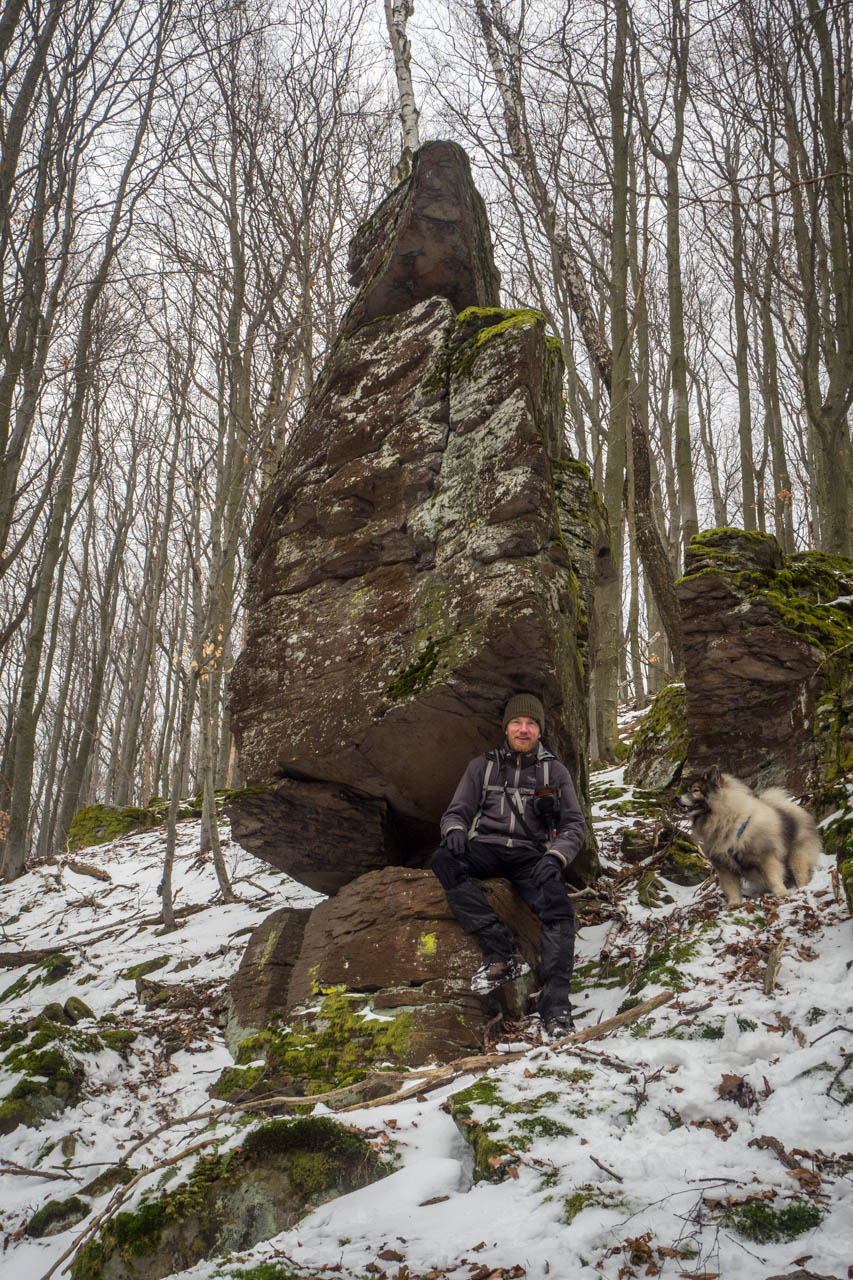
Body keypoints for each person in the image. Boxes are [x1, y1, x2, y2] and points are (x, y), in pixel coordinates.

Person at [430, 693, 586, 1037]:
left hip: (531, 856)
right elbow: (457, 811)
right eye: (517, 722)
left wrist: (556, 856)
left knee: (559, 909)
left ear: (540, 730)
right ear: (506, 728)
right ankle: (500, 953)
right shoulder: (481, 766)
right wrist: (454, 830)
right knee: (443, 858)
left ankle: (556, 1006)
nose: (524, 729)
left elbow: (575, 824)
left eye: (531, 723)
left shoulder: (554, 771)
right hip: (486, 848)